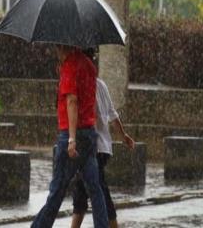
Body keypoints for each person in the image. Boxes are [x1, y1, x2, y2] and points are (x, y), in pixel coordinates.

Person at [31, 45, 108, 228]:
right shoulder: (89, 65)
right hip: (89, 133)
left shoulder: (70, 65)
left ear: (63, 45)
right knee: (95, 189)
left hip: (72, 134)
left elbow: (72, 101)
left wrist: (72, 139)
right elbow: (87, 98)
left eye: (57, 46)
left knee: (57, 189)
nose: (55, 49)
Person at [71, 48, 135, 228]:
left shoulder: (86, 85)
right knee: (83, 190)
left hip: (93, 147)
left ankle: (112, 225)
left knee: (97, 190)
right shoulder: (101, 85)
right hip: (102, 147)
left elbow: (103, 115)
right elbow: (113, 115)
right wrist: (123, 136)